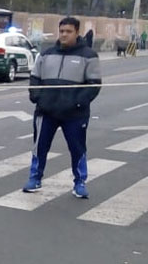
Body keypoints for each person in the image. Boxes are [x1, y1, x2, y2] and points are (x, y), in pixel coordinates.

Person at [23, 17, 101, 199]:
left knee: (77, 148)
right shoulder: (46, 53)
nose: (64, 34)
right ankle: (35, 178)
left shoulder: (88, 56)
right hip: (46, 111)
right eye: (62, 31)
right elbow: (35, 77)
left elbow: (94, 85)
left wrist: (77, 103)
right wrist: (37, 97)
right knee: (39, 147)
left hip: (74, 115)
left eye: (69, 31)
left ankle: (80, 182)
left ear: (77, 32)